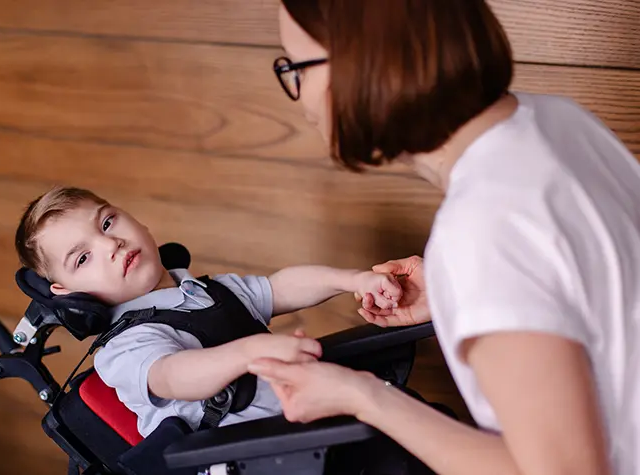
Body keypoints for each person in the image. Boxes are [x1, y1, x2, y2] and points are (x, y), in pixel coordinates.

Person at [248, 1, 640, 475]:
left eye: (297, 67)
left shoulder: (482, 230)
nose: (299, 93)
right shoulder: (557, 119)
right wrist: (465, 296)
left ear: (360, 65)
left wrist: (364, 396)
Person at [13, 185, 403, 437]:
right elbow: (172, 376)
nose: (111, 243)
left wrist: (353, 281)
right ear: (66, 293)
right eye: (83, 258)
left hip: (314, 426)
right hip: (252, 456)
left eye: (108, 221)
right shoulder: (125, 348)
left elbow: (282, 286)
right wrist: (248, 354)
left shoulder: (205, 291)